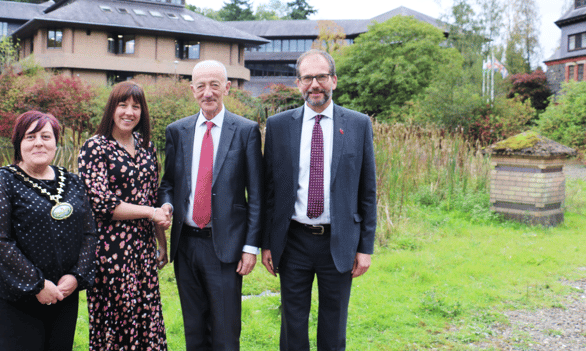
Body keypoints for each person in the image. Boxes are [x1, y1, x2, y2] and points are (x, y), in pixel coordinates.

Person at [261, 49, 377, 351]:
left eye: (321, 77)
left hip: (338, 242)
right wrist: (267, 243)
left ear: (334, 80)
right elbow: (269, 190)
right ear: (298, 84)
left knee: (334, 324)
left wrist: (365, 247)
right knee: (293, 325)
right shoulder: (278, 126)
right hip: (293, 241)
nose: (315, 84)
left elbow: (368, 192)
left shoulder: (358, 124)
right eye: (308, 78)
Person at [158, 60, 264, 351]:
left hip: (226, 247)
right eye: (201, 86)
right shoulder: (177, 132)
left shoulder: (245, 131)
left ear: (227, 88)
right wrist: (166, 205)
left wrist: (250, 247)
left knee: (226, 331)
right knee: (194, 328)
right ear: (192, 90)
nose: (208, 92)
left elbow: (256, 194)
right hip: (186, 245)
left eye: (214, 85)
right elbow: (168, 183)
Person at [0, 110, 98, 351]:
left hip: (62, 294)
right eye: (30, 137)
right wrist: (38, 285)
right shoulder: (2, 181)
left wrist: (76, 277)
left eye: (45, 136)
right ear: (18, 143)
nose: (39, 142)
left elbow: (89, 233)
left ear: (56, 143)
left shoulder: (72, 181)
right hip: (10, 297)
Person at [78, 81, 171, 350]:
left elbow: (152, 196)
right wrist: (151, 212)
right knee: (117, 320)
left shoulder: (147, 147)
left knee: (146, 316)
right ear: (112, 109)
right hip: (111, 250)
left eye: (136, 106)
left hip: (143, 248)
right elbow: (101, 203)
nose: (129, 112)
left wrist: (161, 243)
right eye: (123, 105)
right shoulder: (95, 147)